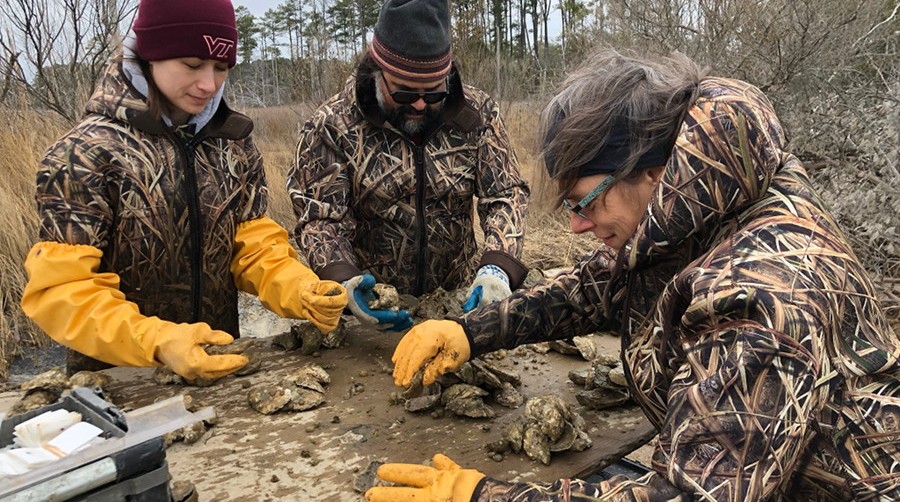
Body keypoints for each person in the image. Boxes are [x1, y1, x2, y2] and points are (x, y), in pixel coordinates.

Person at [366, 49, 900, 501]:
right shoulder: (707, 199)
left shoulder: (761, 300)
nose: (576, 226)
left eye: (586, 202)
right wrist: (470, 331)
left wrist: (484, 496)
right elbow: (598, 287)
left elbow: (689, 494)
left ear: (652, 172)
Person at [20, 0, 347, 381]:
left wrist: (300, 288)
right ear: (150, 55)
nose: (209, 84)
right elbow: (63, 290)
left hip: (217, 370)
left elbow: (254, 247)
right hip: (120, 385)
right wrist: (156, 341)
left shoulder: (232, 143)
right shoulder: (83, 154)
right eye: (192, 64)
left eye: (221, 68)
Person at [288, 0, 530, 331]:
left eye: (433, 94)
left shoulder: (477, 115)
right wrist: (343, 279)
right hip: (371, 308)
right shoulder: (333, 125)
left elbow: (506, 193)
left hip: (457, 300)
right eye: (404, 93)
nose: (418, 104)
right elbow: (320, 219)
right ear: (377, 72)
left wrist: (497, 266)